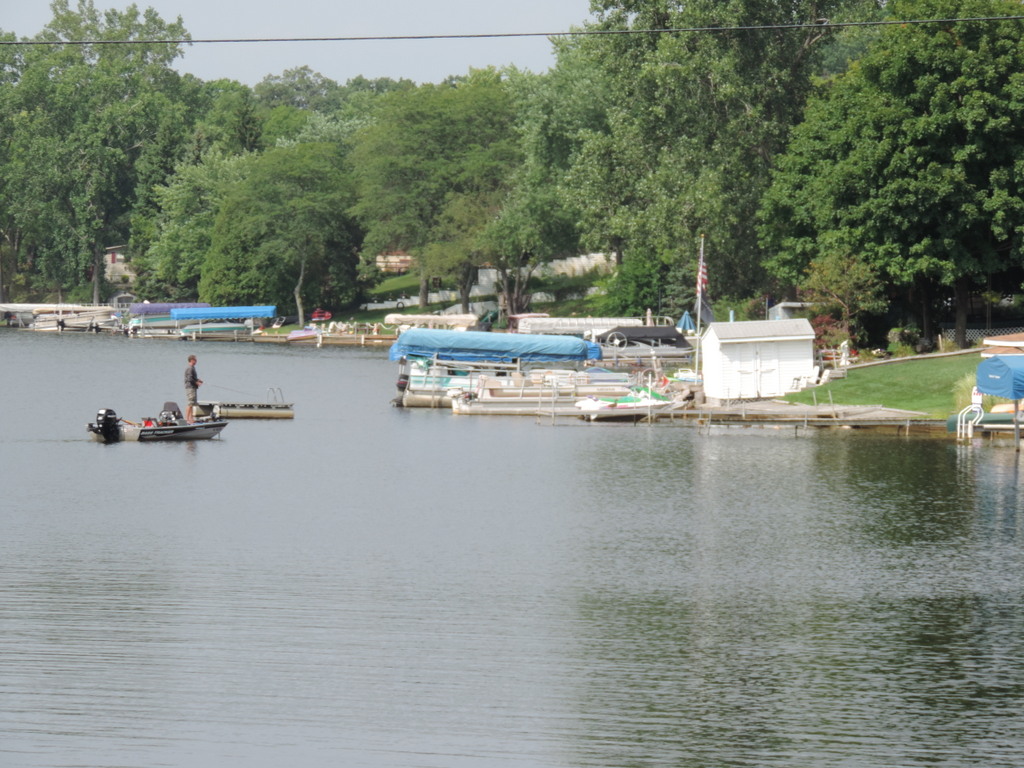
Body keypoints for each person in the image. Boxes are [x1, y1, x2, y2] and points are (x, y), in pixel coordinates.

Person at [184, 354, 203, 424]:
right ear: (192, 360)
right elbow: (189, 379)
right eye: (195, 360)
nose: (196, 361)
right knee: (190, 403)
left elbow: (192, 378)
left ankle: (191, 418)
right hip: (190, 387)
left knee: (192, 403)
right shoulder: (190, 368)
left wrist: (198, 380)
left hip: (192, 387)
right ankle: (187, 419)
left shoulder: (192, 368)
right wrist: (196, 382)